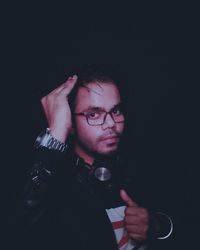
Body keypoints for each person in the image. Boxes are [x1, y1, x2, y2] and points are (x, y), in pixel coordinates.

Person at [3, 69, 173, 250]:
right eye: (93, 114)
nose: (111, 124)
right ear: (71, 123)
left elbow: (186, 218)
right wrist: (56, 135)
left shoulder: (142, 166)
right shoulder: (52, 185)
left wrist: (156, 225)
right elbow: (12, 235)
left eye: (116, 110)